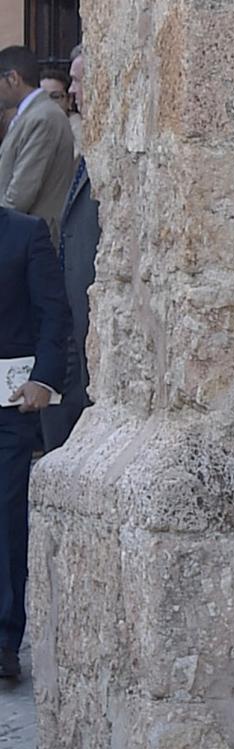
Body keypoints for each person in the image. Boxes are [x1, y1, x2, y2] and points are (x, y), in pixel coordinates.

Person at [0, 208, 69, 681]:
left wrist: (43, 378)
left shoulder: (26, 233)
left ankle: (4, 641)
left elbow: (53, 313)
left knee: (6, 517)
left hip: (8, 403)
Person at [41, 51, 96, 452]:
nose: (73, 94)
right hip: (71, 318)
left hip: (91, 318)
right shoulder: (87, 149)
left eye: (78, 82)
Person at [0, 47, 76, 241]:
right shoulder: (30, 115)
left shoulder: (43, 117)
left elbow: (21, 192)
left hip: (33, 240)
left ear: (13, 78)